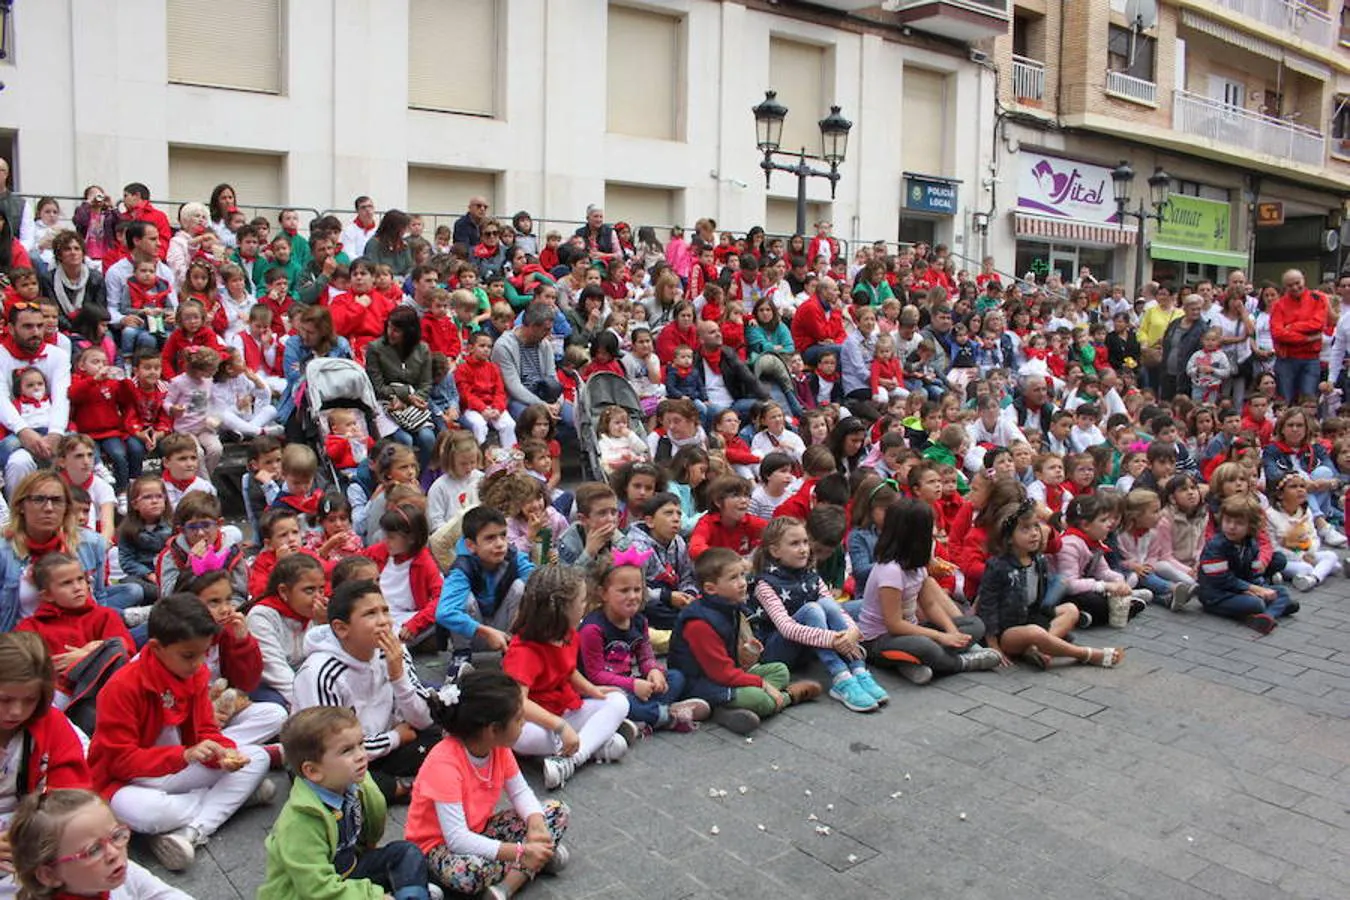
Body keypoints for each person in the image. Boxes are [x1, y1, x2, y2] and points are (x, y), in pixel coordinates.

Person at [87, 594, 273, 872]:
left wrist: (222, 753)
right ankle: (233, 800)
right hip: (130, 782)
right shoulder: (121, 687)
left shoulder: (193, 674)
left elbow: (206, 729)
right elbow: (119, 760)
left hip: (177, 771)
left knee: (258, 757)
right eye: (189, 655)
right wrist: (185, 755)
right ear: (156, 647)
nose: (199, 664)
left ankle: (189, 833)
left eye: (204, 653)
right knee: (146, 813)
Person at [404, 671, 570, 899]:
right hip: (437, 848)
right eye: (518, 719)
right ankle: (531, 865)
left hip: (480, 830)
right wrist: (520, 851)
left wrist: (535, 823)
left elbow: (520, 791)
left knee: (556, 812)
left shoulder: (498, 747)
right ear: (493, 729)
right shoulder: (444, 762)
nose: (524, 723)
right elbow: (457, 838)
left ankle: (508, 883)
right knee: (470, 872)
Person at [260, 706, 434, 900]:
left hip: (348, 871)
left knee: (405, 853)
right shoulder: (299, 823)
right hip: (310, 893)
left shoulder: (353, 787)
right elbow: (317, 890)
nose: (361, 755)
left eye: (361, 744)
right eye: (347, 750)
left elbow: (366, 838)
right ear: (313, 771)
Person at [295, 580, 439, 805]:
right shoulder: (319, 672)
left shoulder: (392, 651)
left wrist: (398, 676)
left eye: (385, 611)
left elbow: (423, 720)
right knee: (335, 777)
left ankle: (387, 787)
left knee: (442, 732)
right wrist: (395, 737)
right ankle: (399, 788)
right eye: (371, 614)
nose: (384, 622)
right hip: (338, 759)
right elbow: (329, 746)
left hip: (382, 748)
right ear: (342, 628)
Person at [667, 548, 821, 735]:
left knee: (780, 670)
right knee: (759, 698)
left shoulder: (728, 607)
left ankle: (723, 711)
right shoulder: (699, 623)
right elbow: (721, 674)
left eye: (742, 575)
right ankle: (789, 696)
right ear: (710, 588)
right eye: (733, 578)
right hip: (699, 685)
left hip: (724, 676)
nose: (742, 583)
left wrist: (747, 649)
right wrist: (762, 684)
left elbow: (728, 656)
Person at [502, 565, 629, 790]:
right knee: (522, 737)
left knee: (619, 701)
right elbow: (517, 702)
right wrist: (559, 726)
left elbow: (568, 670)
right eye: (581, 601)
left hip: (563, 710)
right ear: (562, 610)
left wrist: (593, 690)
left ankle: (572, 758)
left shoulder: (569, 634)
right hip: (534, 722)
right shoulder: (523, 651)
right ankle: (594, 742)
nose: (586, 606)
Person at [856, 498, 1002, 684]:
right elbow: (894, 625)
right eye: (929, 528)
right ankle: (960, 662)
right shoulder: (890, 571)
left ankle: (914, 662)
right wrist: (941, 636)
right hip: (879, 640)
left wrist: (952, 632)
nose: (935, 532)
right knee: (925, 646)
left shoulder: (917, 565)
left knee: (975, 624)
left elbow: (930, 604)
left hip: (911, 631)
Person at [750, 518, 888, 713]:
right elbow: (787, 628)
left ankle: (858, 669)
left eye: (805, 542)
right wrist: (833, 639)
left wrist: (851, 633)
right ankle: (841, 677)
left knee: (826, 604)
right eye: (794, 543)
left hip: (809, 646)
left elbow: (835, 609)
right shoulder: (765, 584)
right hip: (777, 653)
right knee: (813, 609)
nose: (803, 549)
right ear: (775, 551)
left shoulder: (810, 574)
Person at [978, 499, 1124, 669]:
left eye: (1035, 526)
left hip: (1032, 618)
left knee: (1070, 610)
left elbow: (1038, 601)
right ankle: (1084, 654)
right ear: (1008, 537)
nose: (1034, 533)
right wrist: (993, 645)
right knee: (1034, 632)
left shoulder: (1038, 559)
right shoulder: (998, 566)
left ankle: (1037, 649)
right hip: (1008, 631)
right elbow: (987, 605)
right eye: (1025, 529)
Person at [578, 548, 711, 733]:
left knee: (675, 677)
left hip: (629, 684)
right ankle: (669, 716)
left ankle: (645, 718)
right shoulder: (593, 629)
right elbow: (595, 675)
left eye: (637, 589)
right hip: (600, 692)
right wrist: (633, 685)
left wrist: (654, 671)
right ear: (603, 593)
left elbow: (645, 656)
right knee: (623, 703)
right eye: (624, 591)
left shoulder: (639, 621)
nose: (632, 596)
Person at [7, 788, 192, 900]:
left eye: (116, 835)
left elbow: (165, 895)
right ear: (49, 875)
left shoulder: (117, 870)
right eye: (93, 850)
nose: (113, 852)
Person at [437, 506, 536, 666]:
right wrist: (483, 631)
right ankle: (461, 657)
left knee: (520, 587)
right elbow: (444, 613)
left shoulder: (513, 557)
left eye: (503, 535)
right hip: (473, 633)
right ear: (470, 545)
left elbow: (538, 581)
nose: (499, 544)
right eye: (490, 538)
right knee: (465, 600)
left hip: (505, 632)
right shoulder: (462, 568)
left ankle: (513, 649)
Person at [0, 303, 72, 495]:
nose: (36, 332)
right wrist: (23, 431)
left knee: (77, 452)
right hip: (12, 431)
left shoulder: (58, 355)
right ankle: (16, 516)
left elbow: (62, 397)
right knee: (19, 462)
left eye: (40, 326)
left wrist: (55, 432)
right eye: (28, 327)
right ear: (11, 329)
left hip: (51, 427)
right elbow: (1, 399)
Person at [1200, 495, 1297, 634]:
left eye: (1238, 523)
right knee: (1256, 603)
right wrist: (1253, 590)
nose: (1231, 527)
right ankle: (1272, 610)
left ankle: (1266, 617)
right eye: (1228, 521)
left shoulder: (1251, 544)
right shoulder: (1216, 545)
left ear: (1250, 526)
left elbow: (1254, 572)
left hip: (1240, 589)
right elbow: (1220, 579)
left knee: (1281, 592)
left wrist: (1260, 587)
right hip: (1217, 595)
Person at [367, 305, 437, 468]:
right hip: (386, 404)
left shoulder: (423, 349)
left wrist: (414, 399)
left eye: (397, 330)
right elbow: (377, 387)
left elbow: (426, 383)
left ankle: (419, 478)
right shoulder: (375, 349)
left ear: (409, 333)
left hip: (414, 405)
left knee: (428, 438)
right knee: (404, 440)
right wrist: (406, 394)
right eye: (390, 327)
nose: (391, 332)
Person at [492, 302, 568, 425]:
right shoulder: (503, 346)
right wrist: (542, 405)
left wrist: (558, 403)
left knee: (573, 418)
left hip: (545, 393)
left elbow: (552, 377)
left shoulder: (545, 344)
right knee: (534, 421)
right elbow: (513, 387)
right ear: (532, 327)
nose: (549, 334)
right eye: (546, 330)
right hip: (518, 399)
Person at [1270, 268, 1333, 404]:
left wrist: (1292, 327)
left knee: (1308, 401)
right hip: (1286, 359)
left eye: (1297, 283)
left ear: (1304, 280)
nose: (1295, 287)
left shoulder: (1318, 298)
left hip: (1310, 359)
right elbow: (1278, 333)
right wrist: (1306, 338)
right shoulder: (1278, 305)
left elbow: (1318, 324)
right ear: (1285, 287)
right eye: (1290, 285)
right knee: (1285, 401)